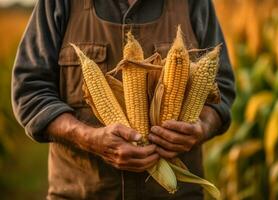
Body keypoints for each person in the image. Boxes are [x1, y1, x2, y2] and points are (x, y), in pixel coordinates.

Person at [12, 0, 235, 199]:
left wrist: (202, 127)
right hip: (81, 192)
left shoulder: (194, 3)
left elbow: (221, 89)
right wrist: (87, 137)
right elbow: (30, 91)